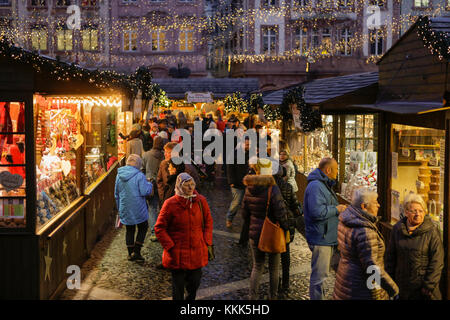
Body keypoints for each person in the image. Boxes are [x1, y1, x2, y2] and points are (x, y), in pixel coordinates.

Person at [154, 173, 213, 300]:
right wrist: (170, 246)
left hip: (197, 251)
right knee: (178, 289)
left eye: (192, 184)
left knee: (195, 283)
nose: (190, 188)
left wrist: (206, 241)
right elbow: (159, 227)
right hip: (177, 253)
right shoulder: (170, 204)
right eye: (186, 185)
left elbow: (208, 222)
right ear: (180, 186)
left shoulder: (201, 201)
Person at [333, 188, 399, 300]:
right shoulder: (364, 231)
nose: (378, 205)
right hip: (361, 287)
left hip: (345, 279)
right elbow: (372, 268)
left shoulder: (346, 219)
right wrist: (393, 289)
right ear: (364, 206)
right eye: (375, 202)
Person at [240, 158, 289, 300]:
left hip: (254, 233)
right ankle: (272, 296)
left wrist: (253, 223)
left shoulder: (249, 187)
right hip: (271, 233)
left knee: (257, 266)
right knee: (274, 268)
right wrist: (286, 228)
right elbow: (281, 212)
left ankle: (252, 296)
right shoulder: (272, 188)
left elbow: (244, 213)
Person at [385, 193, 444, 300]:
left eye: (421, 211)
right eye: (413, 211)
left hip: (423, 291)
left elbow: (437, 261)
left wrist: (429, 285)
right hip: (401, 287)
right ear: (406, 212)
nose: (417, 214)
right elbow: (390, 257)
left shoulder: (432, 232)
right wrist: (389, 281)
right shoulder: (397, 229)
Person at [303, 157, 347, 300]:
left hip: (325, 236)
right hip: (321, 238)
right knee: (319, 277)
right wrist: (336, 209)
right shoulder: (316, 186)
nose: (337, 172)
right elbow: (316, 212)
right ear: (328, 170)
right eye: (335, 169)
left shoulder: (323, 184)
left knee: (321, 276)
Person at [114, 154, 153, 262]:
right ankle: (136, 251)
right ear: (138, 164)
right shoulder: (139, 175)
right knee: (143, 226)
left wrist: (119, 208)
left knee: (129, 229)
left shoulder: (119, 175)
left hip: (124, 206)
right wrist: (149, 184)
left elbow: (116, 194)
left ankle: (130, 253)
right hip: (138, 207)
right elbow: (145, 191)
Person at [273, 166, 302, 297]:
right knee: (286, 255)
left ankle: (275, 284)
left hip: (273, 225)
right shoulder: (288, 187)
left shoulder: (267, 186)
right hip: (286, 226)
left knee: (273, 258)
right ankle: (285, 283)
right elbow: (295, 206)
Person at [142, 136, 165, 242]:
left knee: (151, 208)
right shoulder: (164, 156)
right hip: (162, 185)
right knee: (163, 208)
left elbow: (142, 170)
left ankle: (153, 232)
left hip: (149, 184)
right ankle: (162, 230)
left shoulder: (146, 155)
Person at [226, 136, 250, 230]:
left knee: (247, 203)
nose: (248, 146)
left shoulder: (251, 154)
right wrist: (231, 181)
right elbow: (230, 168)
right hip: (236, 183)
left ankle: (247, 221)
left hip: (248, 183)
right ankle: (229, 218)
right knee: (236, 202)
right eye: (247, 144)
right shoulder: (235, 153)